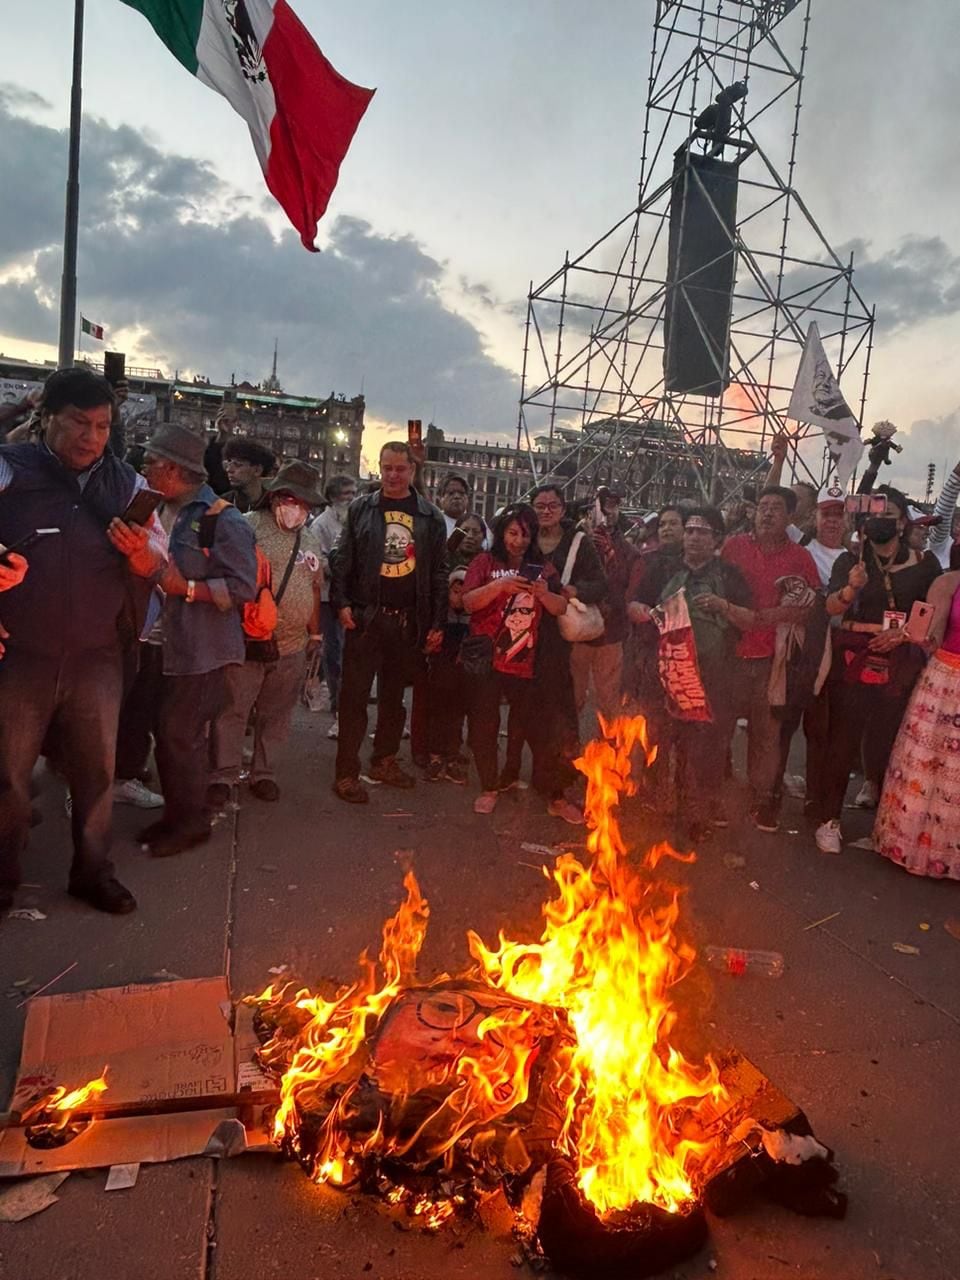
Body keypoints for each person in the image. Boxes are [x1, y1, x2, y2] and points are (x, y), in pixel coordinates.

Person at [0, 367, 165, 915]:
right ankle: (3, 875)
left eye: (101, 426)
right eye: (78, 423)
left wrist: (142, 554)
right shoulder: (10, 469)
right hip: (20, 653)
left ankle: (93, 872)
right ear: (46, 416)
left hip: (97, 656)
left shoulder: (128, 484)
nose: (91, 438)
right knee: (9, 776)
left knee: (97, 776)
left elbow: (159, 561)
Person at [136, 424, 258, 857]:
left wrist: (184, 587)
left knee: (180, 734)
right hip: (159, 645)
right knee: (166, 733)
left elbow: (243, 587)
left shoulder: (222, 520)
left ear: (173, 468)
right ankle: (176, 815)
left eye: (150, 461)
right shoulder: (155, 508)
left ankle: (191, 824)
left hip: (202, 650)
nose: (144, 468)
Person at [814, 486, 941, 853]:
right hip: (856, 660)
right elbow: (832, 611)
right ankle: (829, 820)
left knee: (893, 744)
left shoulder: (925, 563)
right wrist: (852, 590)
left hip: (902, 662)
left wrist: (899, 636)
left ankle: (887, 828)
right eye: (874, 516)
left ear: (902, 523)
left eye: (889, 516)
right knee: (843, 740)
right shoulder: (850, 561)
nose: (880, 522)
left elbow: (928, 613)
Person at [329, 441, 447, 804]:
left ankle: (384, 760)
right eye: (387, 468)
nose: (393, 475)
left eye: (401, 468)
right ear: (380, 468)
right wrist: (342, 603)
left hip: (407, 622)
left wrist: (437, 622)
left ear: (413, 470)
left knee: (395, 700)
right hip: (367, 618)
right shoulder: (361, 509)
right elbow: (343, 559)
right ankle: (347, 771)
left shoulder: (429, 516)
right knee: (354, 698)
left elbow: (439, 573)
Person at [632, 507, 754, 840]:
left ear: (717, 539)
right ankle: (655, 805)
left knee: (703, 750)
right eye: (690, 530)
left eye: (703, 532)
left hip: (711, 678)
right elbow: (633, 606)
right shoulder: (662, 567)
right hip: (664, 674)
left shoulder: (729, 575)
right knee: (659, 740)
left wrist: (723, 606)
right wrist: (649, 613)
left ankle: (696, 815)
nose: (694, 537)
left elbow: (750, 620)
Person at [210, 461, 323, 805]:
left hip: (291, 645)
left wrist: (315, 635)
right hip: (247, 640)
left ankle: (263, 773)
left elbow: (315, 588)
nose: (296, 508)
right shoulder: (246, 527)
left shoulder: (311, 539)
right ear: (274, 496)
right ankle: (223, 775)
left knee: (276, 715)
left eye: (303, 503)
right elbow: (222, 573)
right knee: (233, 710)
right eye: (290, 498)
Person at [720, 485, 820, 832]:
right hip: (729, 654)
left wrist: (769, 617)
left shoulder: (801, 558)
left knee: (766, 734)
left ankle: (762, 800)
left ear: (790, 516)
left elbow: (809, 607)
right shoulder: (733, 547)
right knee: (719, 727)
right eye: (762, 506)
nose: (766, 513)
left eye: (776, 508)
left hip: (771, 660)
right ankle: (717, 793)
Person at [462, 504, 570, 817]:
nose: (518, 541)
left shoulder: (542, 566)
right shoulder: (484, 562)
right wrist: (499, 586)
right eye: (512, 533)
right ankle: (489, 785)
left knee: (529, 726)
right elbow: (467, 603)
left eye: (525, 534)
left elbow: (561, 607)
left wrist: (544, 594)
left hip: (524, 658)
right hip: (487, 658)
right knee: (485, 724)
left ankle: (529, 781)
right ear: (500, 533)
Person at [872, 569, 960, 878]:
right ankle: (913, 846)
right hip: (945, 683)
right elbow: (929, 632)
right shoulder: (950, 582)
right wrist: (902, 635)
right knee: (928, 765)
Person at [774, 484, 848, 820]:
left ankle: (814, 801)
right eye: (826, 513)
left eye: (839, 514)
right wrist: (779, 459)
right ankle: (771, 790)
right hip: (799, 649)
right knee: (784, 724)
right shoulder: (800, 546)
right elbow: (769, 497)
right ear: (815, 517)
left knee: (821, 731)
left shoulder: (856, 557)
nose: (832, 521)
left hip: (835, 651)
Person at [570, 488, 637, 735]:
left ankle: (610, 754)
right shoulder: (576, 542)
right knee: (574, 695)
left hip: (611, 631)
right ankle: (569, 752)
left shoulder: (627, 549)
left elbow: (631, 586)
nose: (608, 512)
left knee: (609, 697)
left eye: (614, 506)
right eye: (603, 506)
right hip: (581, 627)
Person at [312, 474, 357, 737]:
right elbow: (318, 562)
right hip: (330, 598)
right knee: (335, 652)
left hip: (352, 597)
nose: (350, 498)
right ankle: (338, 708)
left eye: (353, 493)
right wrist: (344, 567)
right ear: (332, 497)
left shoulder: (356, 520)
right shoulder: (321, 525)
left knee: (350, 653)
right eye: (345, 494)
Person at [424, 568, 470, 784]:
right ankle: (434, 756)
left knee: (456, 716)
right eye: (455, 591)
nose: (458, 597)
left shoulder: (473, 621)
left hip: (461, 677)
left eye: (464, 592)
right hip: (440, 674)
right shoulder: (439, 619)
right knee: (437, 713)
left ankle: (452, 757)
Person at [221, 438, 276, 513]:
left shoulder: (273, 505)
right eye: (228, 463)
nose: (229, 470)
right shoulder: (221, 504)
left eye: (237, 464)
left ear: (257, 470)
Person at [437, 472, 471, 537]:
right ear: (440, 498)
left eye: (461, 493)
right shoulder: (434, 523)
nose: (457, 496)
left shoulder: (477, 524)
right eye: (451, 493)